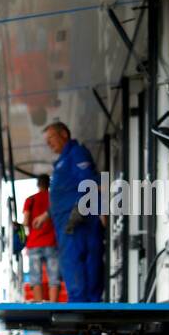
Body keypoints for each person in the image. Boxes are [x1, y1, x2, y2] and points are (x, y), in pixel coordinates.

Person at [44, 122, 104, 303]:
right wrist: (46, 214)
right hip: (67, 222)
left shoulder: (76, 153)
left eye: (51, 138)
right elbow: (65, 191)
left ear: (63, 134)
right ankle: (81, 301)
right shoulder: (63, 160)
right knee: (73, 262)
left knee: (77, 261)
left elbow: (90, 183)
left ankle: (83, 304)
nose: (49, 144)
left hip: (77, 219)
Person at [21, 174, 59, 302]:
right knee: (53, 276)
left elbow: (26, 222)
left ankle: (38, 303)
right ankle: (54, 305)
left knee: (35, 277)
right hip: (51, 242)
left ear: (38, 184)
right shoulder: (54, 200)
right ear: (49, 184)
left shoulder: (30, 200)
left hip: (34, 243)